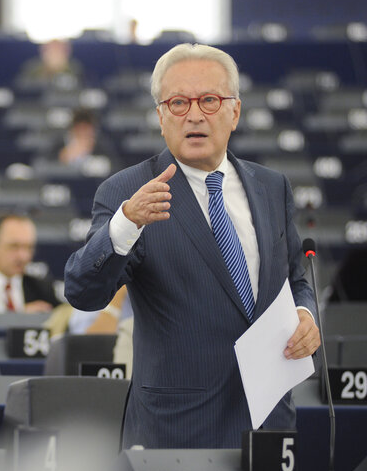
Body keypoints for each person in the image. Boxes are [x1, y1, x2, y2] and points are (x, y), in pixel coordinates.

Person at [64, 43, 320, 449]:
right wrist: (126, 224)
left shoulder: (271, 187)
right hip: (177, 431)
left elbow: (293, 277)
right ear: (161, 117)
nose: (195, 115)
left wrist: (305, 314)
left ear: (235, 111)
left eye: (210, 100)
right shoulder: (128, 192)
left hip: (269, 422)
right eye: (179, 102)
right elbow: (83, 292)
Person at [18, 39, 83, 84]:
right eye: (51, 50)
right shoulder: (32, 68)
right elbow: (22, 86)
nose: (54, 54)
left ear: (67, 52)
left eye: (58, 50)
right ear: (43, 52)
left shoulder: (75, 69)